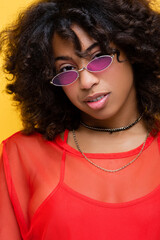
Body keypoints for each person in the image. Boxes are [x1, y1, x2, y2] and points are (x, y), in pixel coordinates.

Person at [0, 0, 160, 239]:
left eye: (99, 56)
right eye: (66, 69)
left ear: (134, 49)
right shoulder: (22, 155)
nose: (86, 82)